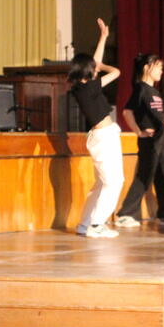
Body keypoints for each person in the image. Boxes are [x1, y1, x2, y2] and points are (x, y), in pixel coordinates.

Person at [114, 26, 164, 228]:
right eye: (158, 67)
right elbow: (127, 112)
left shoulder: (156, 90)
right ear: (147, 67)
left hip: (163, 138)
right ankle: (125, 214)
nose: (161, 71)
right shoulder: (141, 89)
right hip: (150, 140)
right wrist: (139, 132)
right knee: (144, 177)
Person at [69, 18, 125, 238]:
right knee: (114, 182)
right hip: (104, 137)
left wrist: (103, 37)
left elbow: (96, 62)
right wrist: (102, 67)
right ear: (88, 71)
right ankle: (96, 225)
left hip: (102, 136)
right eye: (93, 68)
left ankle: (86, 224)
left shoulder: (82, 88)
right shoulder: (89, 88)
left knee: (102, 183)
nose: (96, 69)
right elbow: (116, 72)